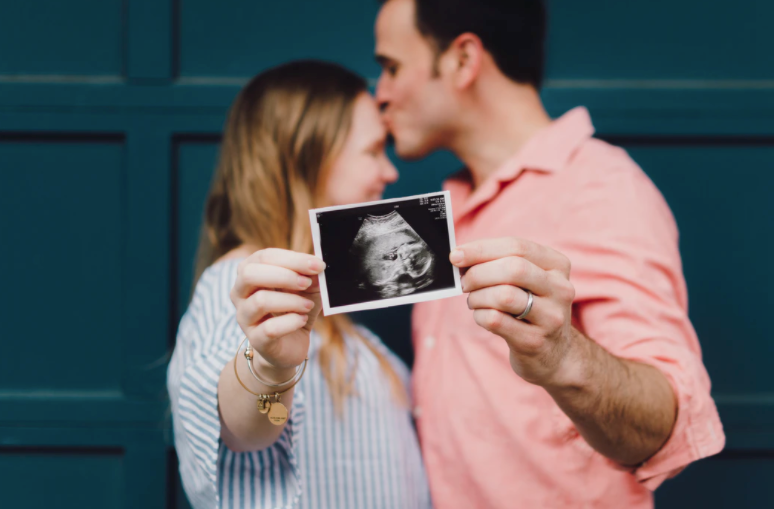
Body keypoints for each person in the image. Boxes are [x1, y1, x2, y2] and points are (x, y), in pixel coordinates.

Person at [373, 0, 725, 507]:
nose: (379, 94)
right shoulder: (444, 212)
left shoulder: (600, 188)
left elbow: (664, 426)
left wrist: (562, 356)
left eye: (392, 67)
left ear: (462, 60)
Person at [167, 60, 431, 509]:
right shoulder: (241, 290)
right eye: (372, 151)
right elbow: (241, 428)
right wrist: (270, 367)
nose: (390, 172)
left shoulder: (332, 314)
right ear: (305, 159)